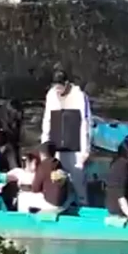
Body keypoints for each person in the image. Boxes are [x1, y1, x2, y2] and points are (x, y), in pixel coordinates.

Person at [42, 66, 91, 203]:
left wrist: (85, 150)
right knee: (59, 175)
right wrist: (44, 144)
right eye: (55, 87)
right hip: (58, 139)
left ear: (67, 84)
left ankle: (83, 202)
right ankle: (64, 201)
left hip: (75, 139)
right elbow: (47, 120)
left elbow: (85, 123)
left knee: (77, 176)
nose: (58, 91)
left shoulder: (79, 96)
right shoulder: (51, 95)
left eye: (60, 88)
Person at [16, 142, 72, 214]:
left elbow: (35, 189)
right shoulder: (58, 163)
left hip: (52, 205)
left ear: (41, 154)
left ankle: (24, 220)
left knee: (23, 197)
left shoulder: (43, 166)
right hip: (64, 204)